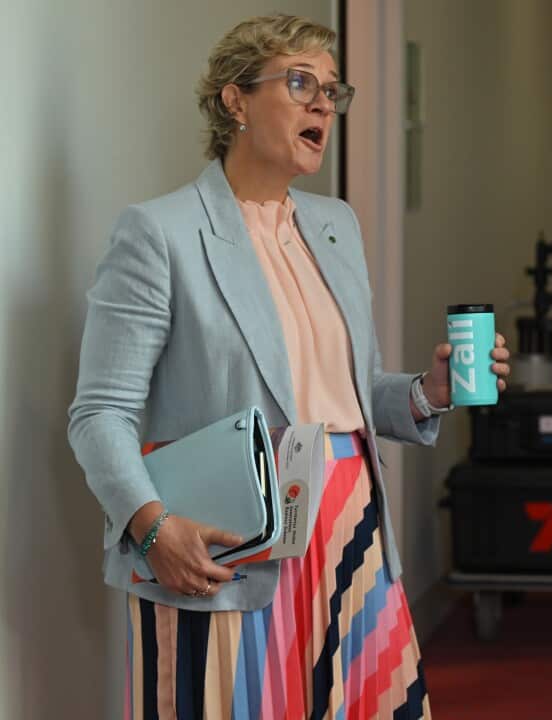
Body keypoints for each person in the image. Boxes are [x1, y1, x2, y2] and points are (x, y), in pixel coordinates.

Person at [67, 14, 509, 718]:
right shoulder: (161, 233)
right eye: (299, 82)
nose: (321, 105)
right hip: (229, 546)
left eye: (333, 90)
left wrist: (427, 390)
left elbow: (352, 393)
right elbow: (99, 416)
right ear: (233, 100)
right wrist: (152, 527)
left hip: (349, 531)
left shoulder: (335, 225)